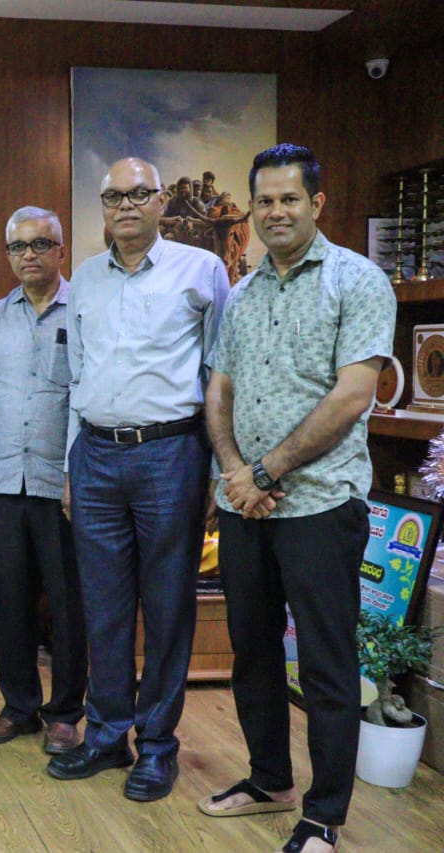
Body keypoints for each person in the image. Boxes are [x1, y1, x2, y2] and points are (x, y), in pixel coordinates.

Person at [200, 144, 395, 853]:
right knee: (251, 652)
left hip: (319, 505)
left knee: (324, 662)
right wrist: (234, 471)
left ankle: (324, 816)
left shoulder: (358, 280)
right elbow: (219, 388)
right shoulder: (244, 293)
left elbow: (352, 395)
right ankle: (269, 780)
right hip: (244, 506)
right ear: (251, 209)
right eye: (265, 201)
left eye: (289, 199)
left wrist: (266, 471)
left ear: (317, 203)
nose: (275, 212)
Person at [49, 158, 229, 802]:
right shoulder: (85, 281)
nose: (125, 205)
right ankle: (105, 736)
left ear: (160, 202)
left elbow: (219, 375)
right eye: (113, 197)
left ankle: (156, 746)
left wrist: (216, 467)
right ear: (102, 207)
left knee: (168, 605)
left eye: (138, 194)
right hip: (95, 457)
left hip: (170, 455)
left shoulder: (201, 270)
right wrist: (70, 467)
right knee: (103, 607)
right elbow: (77, 378)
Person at [0, 207, 87, 754]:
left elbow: (88, 397)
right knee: (11, 602)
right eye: (18, 246)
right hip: (7, 482)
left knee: (67, 604)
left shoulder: (83, 311)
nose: (29, 255)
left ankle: (65, 712)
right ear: (8, 256)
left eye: (41, 243)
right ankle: (18, 706)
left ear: (61, 250)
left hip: (62, 485)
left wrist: (73, 475)